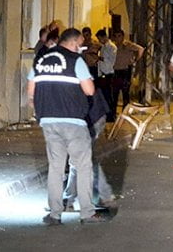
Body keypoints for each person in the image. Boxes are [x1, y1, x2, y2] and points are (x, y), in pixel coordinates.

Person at [28, 28, 107, 225]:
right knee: (83, 165)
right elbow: (89, 90)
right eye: (80, 45)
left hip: (48, 120)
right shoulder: (75, 60)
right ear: (73, 43)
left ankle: (54, 214)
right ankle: (87, 213)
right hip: (73, 121)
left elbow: (30, 91)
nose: (81, 48)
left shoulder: (41, 59)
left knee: (56, 167)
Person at [63, 90, 115, 210]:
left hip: (90, 118)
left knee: (79, 158)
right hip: (91, 116)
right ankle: (104, 196)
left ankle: (70, 198)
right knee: (84, 158)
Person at [110, 29, 144, 118]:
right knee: (114, 94)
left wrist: (135, 60)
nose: (117, 38)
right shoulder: (113, 46)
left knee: (125, 93)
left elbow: (141, 49)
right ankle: (113, 114)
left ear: (123, 37)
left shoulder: (127, 45)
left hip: (125, 71)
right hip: (115, 71)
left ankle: (125, 114)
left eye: (119, 36)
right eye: (116, 36)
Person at [95, 29, 117, 121]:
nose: (99, 41)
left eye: (100, 39)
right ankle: (106, 114)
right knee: (103, 96)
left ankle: (111, 115)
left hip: (109, 73)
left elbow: (112, 60)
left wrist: (100, 58)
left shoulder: (112, 47)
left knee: (109, 96)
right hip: (102, 74)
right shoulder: (103, 47)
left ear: (104, 37)